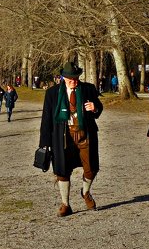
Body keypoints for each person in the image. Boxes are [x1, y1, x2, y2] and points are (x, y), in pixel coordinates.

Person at [38, 62, 104, 217]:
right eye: (70, 79)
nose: (74, 81)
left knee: (91, 167)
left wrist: (94, 108)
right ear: (63, 78)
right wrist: (45, 143)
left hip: (85, 134)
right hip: (63, 136)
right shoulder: (52, 93)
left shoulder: (88, 89)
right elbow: (46, 119)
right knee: (62, 170)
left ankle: (85, 192)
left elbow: (99, 108)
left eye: (76, 78)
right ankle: (65, 204)